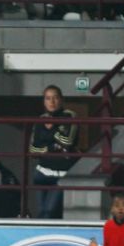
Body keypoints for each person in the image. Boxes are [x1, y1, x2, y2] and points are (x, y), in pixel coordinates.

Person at [30, 85, 78, 218]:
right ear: (44, 101)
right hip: (42, 172)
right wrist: (52, 146)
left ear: (61, 100)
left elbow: (67, 141)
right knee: (41, 212)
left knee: (50, 210)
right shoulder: (40, 120)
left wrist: (50, 132)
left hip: (61, 173)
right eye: (48, 98)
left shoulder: (70, 116)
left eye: (55, 98)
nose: (52, 102)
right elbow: (33, 150)